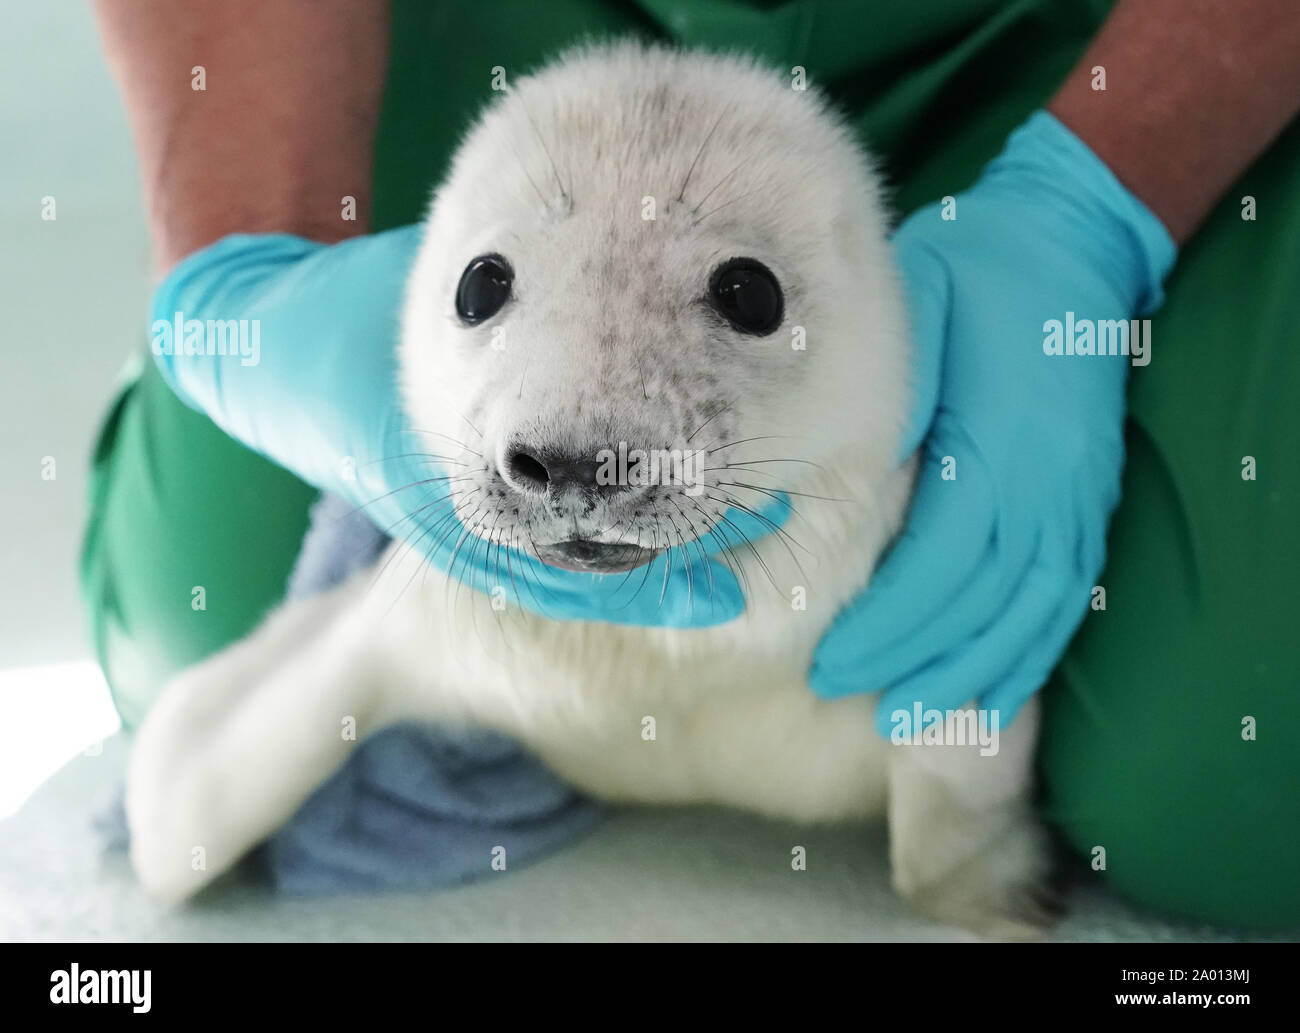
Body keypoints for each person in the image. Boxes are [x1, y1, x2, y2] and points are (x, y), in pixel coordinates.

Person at [87, 0, 1300, 929]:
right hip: (516, 52)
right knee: (191, 609)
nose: (578, 467)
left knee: (1240, 779)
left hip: (1072, 46)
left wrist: (1093, 207)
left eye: (744, 298)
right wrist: (239, 278)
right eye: (480, 291)